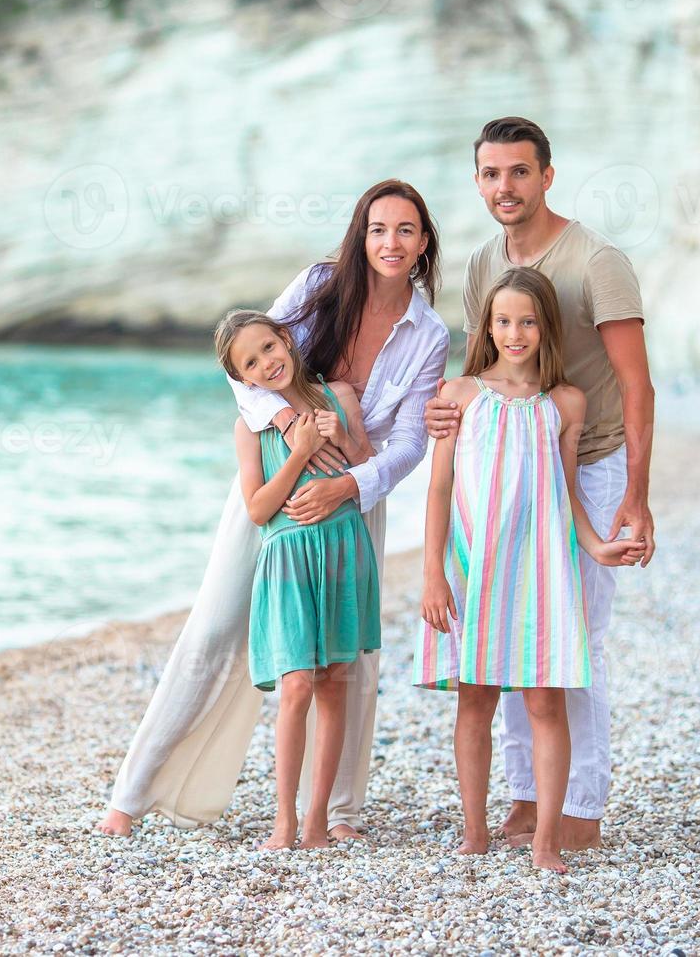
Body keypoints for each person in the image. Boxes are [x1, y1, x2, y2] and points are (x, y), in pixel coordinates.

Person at [99, 180, 449, 841]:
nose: (390, 243)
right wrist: (286, 419)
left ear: (424, 240)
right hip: (273, 487)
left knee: (350, 661)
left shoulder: (428, 333)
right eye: (378, 229)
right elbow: (243, 361)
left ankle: (339, 812)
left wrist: (348, 485)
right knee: (215, 626)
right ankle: (132, 792)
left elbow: (408, 443)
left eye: (405, 230)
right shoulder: (320, 284)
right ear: (361, 233)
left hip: (354, 496)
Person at [425, 116, 657, 851]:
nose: (505, 187)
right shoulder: (481, 264)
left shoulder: (597, 260)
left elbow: (637, 384)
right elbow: (475, 371)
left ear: (547, 175)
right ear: (478, 181)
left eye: (519, 172)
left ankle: (581, 806)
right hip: (502, 476)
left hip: (586, 464)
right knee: (509, 638)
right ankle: (527, 799)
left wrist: (636, 496)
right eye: (491, 174)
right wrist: (444, 412)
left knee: (568, 641)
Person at [215, 310, 382, 850]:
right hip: (288, 559)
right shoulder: (252, 428)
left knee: (335, 682)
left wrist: (347, 442)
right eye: (251, 362)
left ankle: (317, 820)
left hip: (340, 549)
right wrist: (301, 453)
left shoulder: (340, 396)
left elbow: (367, 465)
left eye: (269, 347)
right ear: (242, 380)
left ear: (287, 339)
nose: (268, 362)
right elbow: (260, 508)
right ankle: (283, 819)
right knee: (297, 685)